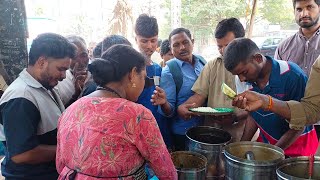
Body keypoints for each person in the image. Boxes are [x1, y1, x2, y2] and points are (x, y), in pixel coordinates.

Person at [56, 44, 177, 180]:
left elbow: (60, 164)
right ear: (132, 75)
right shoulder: (137, 115)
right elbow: (166, 172)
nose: (144, 83)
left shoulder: (71, 109)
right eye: (143, 77)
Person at [223, 38, 318, 157]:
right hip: (268, 145)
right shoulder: (245, 80)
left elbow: (301, 123)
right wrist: (241, 147)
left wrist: (272, 154)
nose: (242, 79)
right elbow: (254, 115)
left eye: (244, 72)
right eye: (237, 75)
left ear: (258, 58)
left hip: (299, 151)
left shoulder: (293, 75)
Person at [0, 33, 76, 179]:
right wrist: (70, 149)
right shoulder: (21, 97)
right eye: (61, 69)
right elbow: (22, 154)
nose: (64, 76)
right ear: (41, 62)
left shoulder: (42, 88)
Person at [177, 18, 248, 142]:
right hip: (213, 136)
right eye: (219, 46)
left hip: (242, 136)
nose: (223, 50)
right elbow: (199, 95)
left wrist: (235, 117)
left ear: (241, 41)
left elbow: (259, 107)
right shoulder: (212, 65)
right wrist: (184, 107)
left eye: (228, 45)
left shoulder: (251, 67)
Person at [152, 28, 206, 151]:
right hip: (183, 133)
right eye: (176, 45)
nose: (182, 47)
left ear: (192, 42)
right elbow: (169, 111)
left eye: (185, 42)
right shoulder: (170, 70)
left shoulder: (202, 62)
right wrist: (165, 103)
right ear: (171, 49)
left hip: (205, 127)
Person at [134, 14, 172, 148]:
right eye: (144, 41)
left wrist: (164, 102)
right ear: (136, 39)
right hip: (136, 131)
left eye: (153, 40)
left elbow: (167, 109)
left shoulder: (158, 69)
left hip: (159, 129)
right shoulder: (129, 69)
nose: (149, 46)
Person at [275, 0, 320, 76]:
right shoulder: (283, 48)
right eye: (299, 9)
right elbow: (277, 79)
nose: (303, 14)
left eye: (309, 7)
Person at [55, 35, 89, 107]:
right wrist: (75, 95)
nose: (80, 61)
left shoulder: (96, 75)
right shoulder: (58, 82)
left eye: (83, 55)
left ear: (88, 53)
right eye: (74, 57)